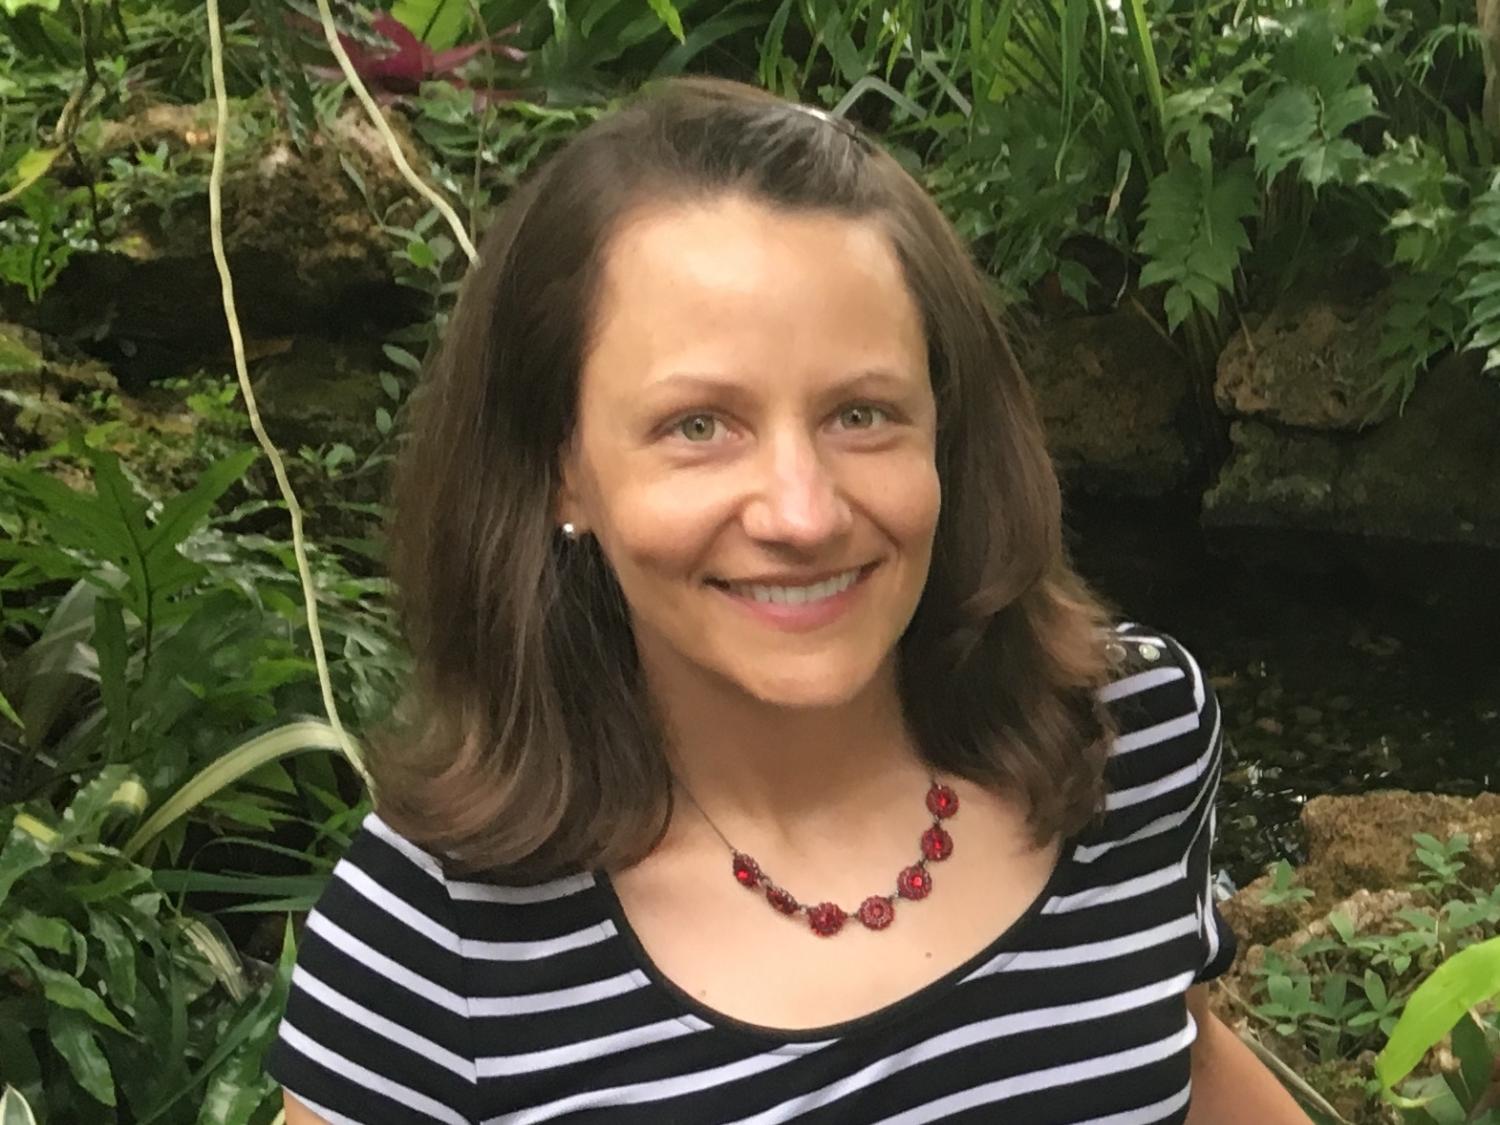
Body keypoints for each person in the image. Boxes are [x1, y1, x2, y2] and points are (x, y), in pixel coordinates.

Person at [269, 76, 1309, 1124]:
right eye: (698, 426)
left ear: (946, 433)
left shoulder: (1127, 742)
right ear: (561, 471)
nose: (802, 513)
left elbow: (1176, 1053)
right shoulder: (438, 941)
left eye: (862, 413)